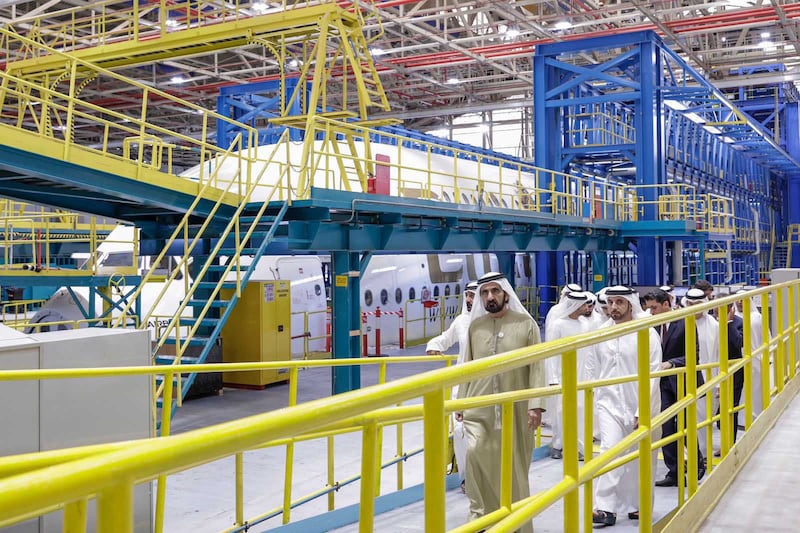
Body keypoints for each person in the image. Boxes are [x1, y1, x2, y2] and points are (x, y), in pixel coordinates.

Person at [456, 272, 546, 533]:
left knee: (514, 466)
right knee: (474, 456)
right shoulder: (476, 327)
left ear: (506, 293)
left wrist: (535, 404)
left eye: (495, 291)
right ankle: (482, 519)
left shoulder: (526, 325)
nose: (489, 297)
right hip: (478, 405)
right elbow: (467, 367)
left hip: (516, 408)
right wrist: (461, 401)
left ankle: (516, 522)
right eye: (485, 293)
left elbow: (537, 367)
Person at [587, 286, 661, 527]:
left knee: (640, 457)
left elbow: (653, 372)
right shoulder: (600, 333)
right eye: (611, 302)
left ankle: (638, 505)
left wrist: (643, 409)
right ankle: (605, 508)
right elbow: (594, 369)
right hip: (609, 403)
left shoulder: (647, 333)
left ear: (630, 304)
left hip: (640, 403)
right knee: (610, 449)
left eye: (620, 302)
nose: (614, 307)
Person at [643, 290, 705, 487]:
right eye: (649, 308)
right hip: (661, 384)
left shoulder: (684, 320)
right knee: (666, 427)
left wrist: (671, 363)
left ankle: (697, 464)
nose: (651, 312)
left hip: (682, 380)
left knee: (685, 426)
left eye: (654, 308)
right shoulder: (650, 324)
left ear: (666, 304)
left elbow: (693, 355)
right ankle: (675, 472)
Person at [426, 281, 477, 489]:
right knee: (460, 432)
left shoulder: (492, 322)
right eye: (467, 295)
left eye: (473, 295)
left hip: (485, 384)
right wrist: (433, 346)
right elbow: (447, 338)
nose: (469, 299)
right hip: (461, 386)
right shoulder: (461, 322)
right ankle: (466, 478)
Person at [544, 291, 592, 460]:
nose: (586, 308)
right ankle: (558, 445)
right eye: (583, 305)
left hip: (581, 375)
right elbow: (552, 353)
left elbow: (588, 351)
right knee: (560, 411)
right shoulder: (558, 324)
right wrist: (553, 379)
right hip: (561, 375)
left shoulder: (585, 324)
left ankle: (579, 447)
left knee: (580, 411)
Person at [682, 288, 719, 453]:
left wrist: (718, 384)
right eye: (690, 304)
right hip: (684, 378)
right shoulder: (680, 322)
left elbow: (718, 356)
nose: (693, 308)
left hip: (708, 381)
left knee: (703, 419)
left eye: (697, 304)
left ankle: (702, 453)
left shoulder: (714, 325)